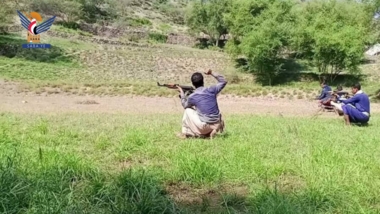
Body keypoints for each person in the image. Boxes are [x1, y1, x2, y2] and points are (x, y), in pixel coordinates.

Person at [177, 69, 227, 139]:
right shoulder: (211, 89)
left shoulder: (192, 96)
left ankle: (185, 133)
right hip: (216, 123)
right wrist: (211, 73)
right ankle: (213, 130)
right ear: (203, 81)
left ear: (193, 83)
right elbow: (223, 81)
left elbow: (185, 105)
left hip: (204, 127)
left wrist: (182, 93)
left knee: (188, 110)